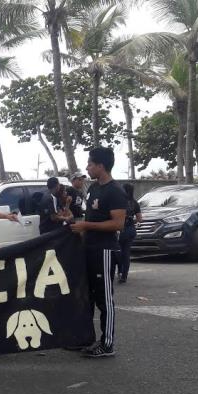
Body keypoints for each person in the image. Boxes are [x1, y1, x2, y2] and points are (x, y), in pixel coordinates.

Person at [70, 147, 127, 358]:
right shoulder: (94, 188)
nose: (87, 168)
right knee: (88, 297)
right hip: (89, 248)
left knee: (104, 299)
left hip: (104, 251)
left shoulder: (115, 191)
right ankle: (86, 338)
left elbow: (118, 224)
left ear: (101, 166)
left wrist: (86, 225)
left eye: (90, 164)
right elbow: (91, 218)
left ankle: (107, 343)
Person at [116, 183, 142, 283]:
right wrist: (131, 220)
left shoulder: (119, 201)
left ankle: (120, 271)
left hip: (120, 230)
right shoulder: (134, 202)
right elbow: (140, 219)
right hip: (131, 230)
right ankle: (124, 275)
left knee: (118, 252)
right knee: (126, 253)